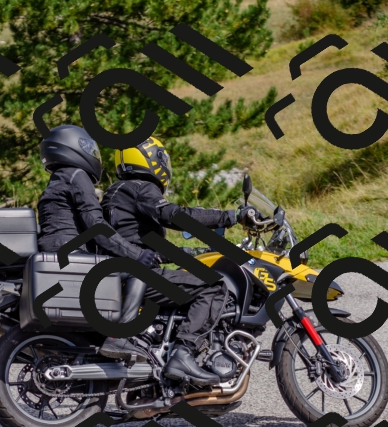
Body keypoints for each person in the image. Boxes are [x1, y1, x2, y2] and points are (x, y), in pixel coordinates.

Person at [98, 136, 257, 386]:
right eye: (162, 159)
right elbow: (175, 216)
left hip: (121, 272)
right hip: (135, 275)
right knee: (213, 288)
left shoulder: (118, 191)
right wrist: (232, 216)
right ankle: (184, 355)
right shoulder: (140, 188)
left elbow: (139, 242)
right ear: (150, 159)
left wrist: (191, 252)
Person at [36, 125, 161, 344]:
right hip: (73, 256)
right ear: (72, 147)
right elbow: (96, 225)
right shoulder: (77, 175)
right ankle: (122, 337)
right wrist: (137, 254)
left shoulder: (57, 180)